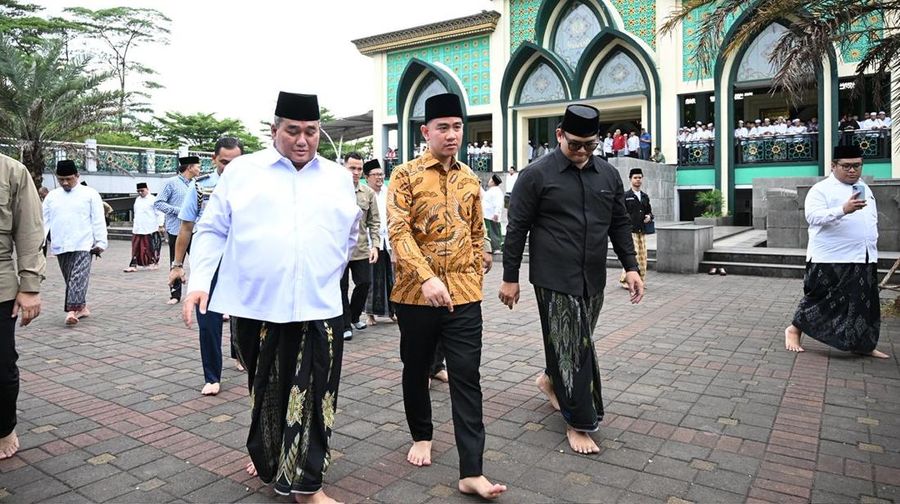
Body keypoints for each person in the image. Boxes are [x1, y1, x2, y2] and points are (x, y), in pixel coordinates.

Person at [183, 92, 360, 503]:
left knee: (314, 393)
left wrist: (328, 274)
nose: (302, 140)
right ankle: (271, 455)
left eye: (311, 132)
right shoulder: (243, 172)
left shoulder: (336, 177)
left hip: (320, 306)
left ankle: (306, 484)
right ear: (274, 130)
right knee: (266, 388)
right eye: (293, 131)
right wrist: (200, 281)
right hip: (257, 306)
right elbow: (212, 229)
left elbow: (348, 234)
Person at [500, 104, 644, 455]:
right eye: (575, 144)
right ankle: (579, 421)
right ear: (559, 135)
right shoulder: (535, 175)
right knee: (575, 348)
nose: (582, 152)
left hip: (593, 276)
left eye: (590, 145)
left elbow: (619, 224)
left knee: (576, 339)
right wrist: (510, 277)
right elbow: (517, 228)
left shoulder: (608, 175)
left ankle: (550, 380)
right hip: (553, 276)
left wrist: (631, 266)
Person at [388, 92, 506, 499]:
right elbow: (398, 232)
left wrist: (482, 254)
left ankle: (471, 469)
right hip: (415, 295)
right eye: (443, 127)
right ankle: (422, 434)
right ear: (426, 132)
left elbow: (477, 228)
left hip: (464, 294)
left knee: (466, 375)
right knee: (416, 366)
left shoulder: (471, 178)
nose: (452, 134)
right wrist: (424, 277)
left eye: (457, 127)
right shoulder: (404, 176)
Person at [784, 145, 889, 359]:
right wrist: (843, 210)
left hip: (864, 255)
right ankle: (794, 330)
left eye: (857, 165)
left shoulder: (865, 188)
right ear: (834, 166)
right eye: (846, 166)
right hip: (830, 257)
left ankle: (864, 345)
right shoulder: (821, 189)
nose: (852, 170)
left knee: (863, 304)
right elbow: (812, 217)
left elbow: (871, 219)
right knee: (820, 299)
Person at [168, 137, 245, 395]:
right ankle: (212, 375)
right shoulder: (200, 187)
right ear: (214, 159)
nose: (229, 168)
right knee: (208, 318)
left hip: (242, 257)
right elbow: (186, 227)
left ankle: (241, 354)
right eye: (224, 162)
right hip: (209, 260)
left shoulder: (252, 185)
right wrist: (177, 265)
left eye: (235, 162)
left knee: (244, 312)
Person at [0, 154, 45, 460]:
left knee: (1, 366)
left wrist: (29, 285)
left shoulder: (11, 170)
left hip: (0, 286)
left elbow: (29, 229)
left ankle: (4, 427)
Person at [42, 160, 107, 326]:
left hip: (84, 244)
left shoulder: (90, 194)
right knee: (70, 278)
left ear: (77, 176)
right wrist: (40, 242)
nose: (65, 183)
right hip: (61, 244)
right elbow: (44, 221)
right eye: (61, 179)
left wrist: (100, 242)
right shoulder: (52, 196)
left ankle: (71, 312)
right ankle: (82, 307)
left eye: (69, 179)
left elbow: (98, 219)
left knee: (77, 277)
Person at [340, 152, 380, 340]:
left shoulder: (368, 193)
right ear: (344, 168)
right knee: (340, 287)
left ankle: (354, 315)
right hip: (338, 250)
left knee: (364, 283)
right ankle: (344, 324)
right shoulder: (334, 191)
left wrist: (376, 246)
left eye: (358, 169)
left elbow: (374, 221)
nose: (355, 172)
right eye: (351, 168)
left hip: (361, 248)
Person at [155, 156, 201, 305]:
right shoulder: (171, 183)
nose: (199, 169)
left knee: (198, 262)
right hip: (176, 229)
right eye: (197, 166)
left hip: (196, 229)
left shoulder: (197, 184)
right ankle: (175, 295)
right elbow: (159, 203)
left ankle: (197, 293)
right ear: (189, 168)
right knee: (176, 262)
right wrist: (180, 211)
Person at [363, 159, 395, 326]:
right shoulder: (364, 193)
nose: (379, 177)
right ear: (367, 177)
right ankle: (370, 314)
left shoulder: (388, 192)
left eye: (381, 174)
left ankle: (391, 312)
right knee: (372, 279)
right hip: (369, 243)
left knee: (390, 278)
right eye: (376, 175)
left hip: (387, 241)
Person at [619, 168, 653, 288]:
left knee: (643, 256)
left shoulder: (645, 196)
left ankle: (640, 281)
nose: (638, 180)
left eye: (639, 177)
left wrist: (649, 216)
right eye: (635, 178)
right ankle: (625, 281)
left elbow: (649, 211)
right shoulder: (625, 196)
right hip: (630, 231)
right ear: (630, 179)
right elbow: (621, 212)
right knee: (634, 255)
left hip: (642, 230)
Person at [123, 182, 163, 273]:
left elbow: (160, 213)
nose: (140, 193)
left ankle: (154, 263)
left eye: (142, 190)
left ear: (147, 189)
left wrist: (161, 225)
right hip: (138, 228)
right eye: (138, 191)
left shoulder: (153, 199)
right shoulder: (137, 199)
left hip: (150, 228)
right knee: (136, 247)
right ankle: (133, 265)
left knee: (150, 247)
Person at [482, 174, 504, 254]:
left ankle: (496, 247)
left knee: (494, 232)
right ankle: (491, 248)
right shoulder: (491, 190)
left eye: (490, 180)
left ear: (493, 182)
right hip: (487, 215)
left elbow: (498, 204)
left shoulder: (497, 191)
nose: (489, 181)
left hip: (492, 215)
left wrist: (496, 214)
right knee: (489, 232)